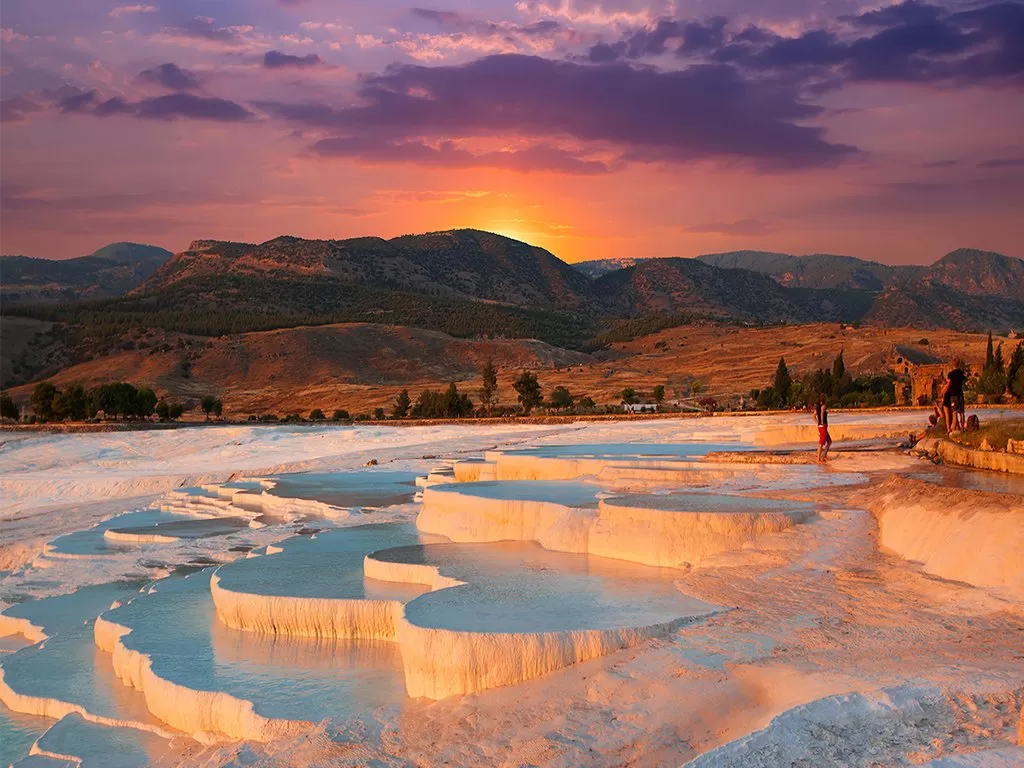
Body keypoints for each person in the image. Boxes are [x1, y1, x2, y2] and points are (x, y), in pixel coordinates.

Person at [940, 359, 966, 434]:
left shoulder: (951, 374)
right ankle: (962, 428)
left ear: (952, 364)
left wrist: (942, 392)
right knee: (962, 412)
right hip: (960, 394)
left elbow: (948, 384)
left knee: (954, 413)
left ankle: (953, 430)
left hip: (953, 395)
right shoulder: (961, 373)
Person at [815, 393, 832, 463]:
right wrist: (821, 422)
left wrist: (818, 423)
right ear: (824, 399)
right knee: (821, 443)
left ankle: (823, 456)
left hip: (820, 426)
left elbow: (813, 416)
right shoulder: (823, 406)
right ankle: (818, 459)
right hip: (823, 426)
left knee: (829, 441)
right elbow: (822, 413)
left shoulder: (818, 407)